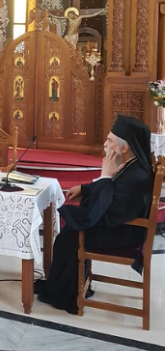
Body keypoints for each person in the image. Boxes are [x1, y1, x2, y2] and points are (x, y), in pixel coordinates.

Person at [34, 114, 154, 315]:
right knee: (69, 232)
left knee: (69, 236)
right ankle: (61, 286)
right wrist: (85, 188)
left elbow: (111, 209)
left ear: (124, 148)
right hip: (120, 226)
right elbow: (112, 192)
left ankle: (66, 295)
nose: (105, 144)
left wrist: (105, 176)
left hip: (124, 233)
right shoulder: (132, 165)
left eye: (110, 141)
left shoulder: (136, 177)